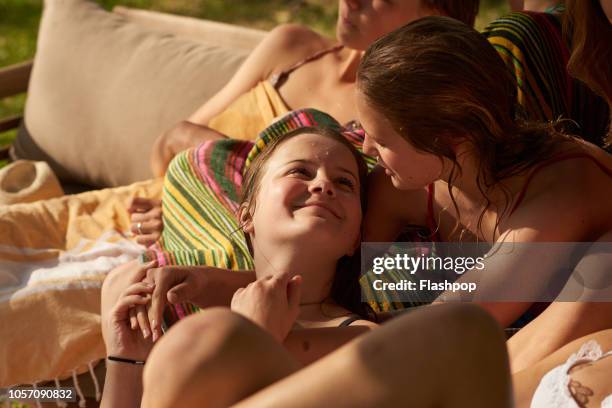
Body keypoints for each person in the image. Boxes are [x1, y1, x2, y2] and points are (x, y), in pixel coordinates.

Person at [101, 123, 379, 406]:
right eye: (300, 171)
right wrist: (125, 360)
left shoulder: (363, 338)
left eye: (345, 183)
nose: (324, 185)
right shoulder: (209, 314)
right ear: (246, 216)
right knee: (120, 283)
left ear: (355, 240)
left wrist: (252, 331)